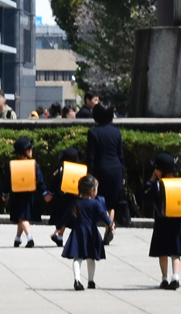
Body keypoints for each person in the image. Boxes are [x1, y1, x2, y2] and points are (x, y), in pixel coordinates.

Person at [143, 153, 181, 290]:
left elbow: (145, 195)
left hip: (162, 222)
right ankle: (175, 276)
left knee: (163, 251)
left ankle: (164, 278)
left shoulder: (158, 186)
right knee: (175, 252)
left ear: (160, 171)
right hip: (178, 223)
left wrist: (151, 180)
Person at [58, 175, 115, 291]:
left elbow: (66, 216)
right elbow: (103, 214)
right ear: (92, 190)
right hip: (91, 233)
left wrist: (58, 227)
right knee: (91, 258)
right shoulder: (95, 203)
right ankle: (91, 280)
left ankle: (77, 279)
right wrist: (110, 224)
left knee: (77, 258)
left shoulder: (76, 202)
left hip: (78, 233)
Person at [86, 103, 125, 245]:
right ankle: (109, 227)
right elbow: (121, 155)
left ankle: (96, 231)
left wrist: (89, 175)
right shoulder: (116, 132)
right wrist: (123, 176)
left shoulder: (93, 133)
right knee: (111, 204)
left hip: (100, 171)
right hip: (116, 171)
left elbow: (91, 156)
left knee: (96, 201)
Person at [2, 138, 47, 248]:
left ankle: (27, 238)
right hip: (30, 195)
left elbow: (8, 181)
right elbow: (40, 180)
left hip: (17, 195)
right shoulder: (33, 165)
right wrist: (45, 192)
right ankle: (21, 238)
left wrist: (5, 193)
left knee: (22, 217)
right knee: (23, 217)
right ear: (26, 151)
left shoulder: (13, 165)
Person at [46, 147, 81, 247]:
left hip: (63, 199)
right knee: (74, 219)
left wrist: (51, 193)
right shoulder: (80, 170)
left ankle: (61, 237)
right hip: (76, 198)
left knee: (63, 218)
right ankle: (63, 237)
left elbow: (55, 182)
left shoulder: (62, 169)